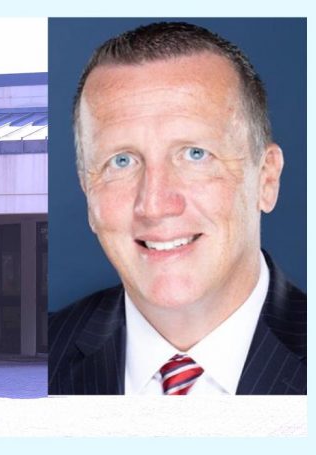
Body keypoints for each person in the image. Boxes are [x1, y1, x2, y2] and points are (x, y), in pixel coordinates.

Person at [48, 22, 306, 395]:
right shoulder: (49, 357)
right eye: (121, 162)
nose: (154, 204)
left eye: (195, 154)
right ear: (88, 190)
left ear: (266, 180)